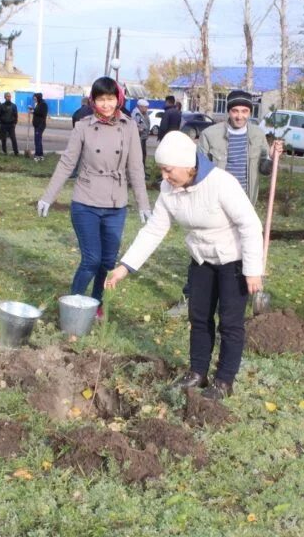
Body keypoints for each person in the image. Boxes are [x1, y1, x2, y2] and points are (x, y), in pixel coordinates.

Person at [105, 131, 263, 401]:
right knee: (198, 317)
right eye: (162, 170)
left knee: (230, 323)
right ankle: (197, 372)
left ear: (188, 166)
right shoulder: (169, 190)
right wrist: (124, 267)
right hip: (201, 259)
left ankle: (224, 381)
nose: (164, 176)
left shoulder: (221, 183)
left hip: (233, 261)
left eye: (168, 170)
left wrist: (252, 270)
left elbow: (250, 225)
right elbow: (154, 230)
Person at [163, 88, 283, 318]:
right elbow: (196, 167)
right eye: (235, 111)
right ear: (229, 111)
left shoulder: (257, 135)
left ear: (250, 112)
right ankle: (191, 298)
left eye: (245, 111)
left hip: (243, 204)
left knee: (239, 254)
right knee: (202, 252)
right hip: (213, 203)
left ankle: (235, 300)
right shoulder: (211, 135)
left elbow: (264, 169)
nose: (240, 115)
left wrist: (273, 156)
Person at [37, 76, 152, 314]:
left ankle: (97, 304)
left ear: (118, 99)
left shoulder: (129, 126)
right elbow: (67, 163)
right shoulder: (83, 126)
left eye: (110, 99)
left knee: (108, 262)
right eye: (101, 99)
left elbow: (136, 168)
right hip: (86, 201)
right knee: (91, 260)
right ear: (93, 101)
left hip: (115, 204)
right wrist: (48, 196)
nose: (106, 105)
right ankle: (73, 306)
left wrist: (143, 204)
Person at [132, 98, 151, 166]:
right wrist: (140, 129)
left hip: (143, 137)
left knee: (143, 153)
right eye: (146, 107)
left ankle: (143, 166)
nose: (147, 108)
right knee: (140, 153)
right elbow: (139, 126)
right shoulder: (137, 114)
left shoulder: (144, 113)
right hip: (139, 137)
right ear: (140, 107)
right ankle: (140, 167)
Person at [32, 92, 48, 161]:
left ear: (38, 97)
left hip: (40, 125)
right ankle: (41, 155)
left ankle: (37, 155)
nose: (34, 99)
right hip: (37, 125)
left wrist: (33, 111)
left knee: (37, 140)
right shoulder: (38, 104)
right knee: (38, 140)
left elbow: (41, 113)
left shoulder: (43, 104)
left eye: (35, 98)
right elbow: (37, 111)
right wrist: (33, 110)